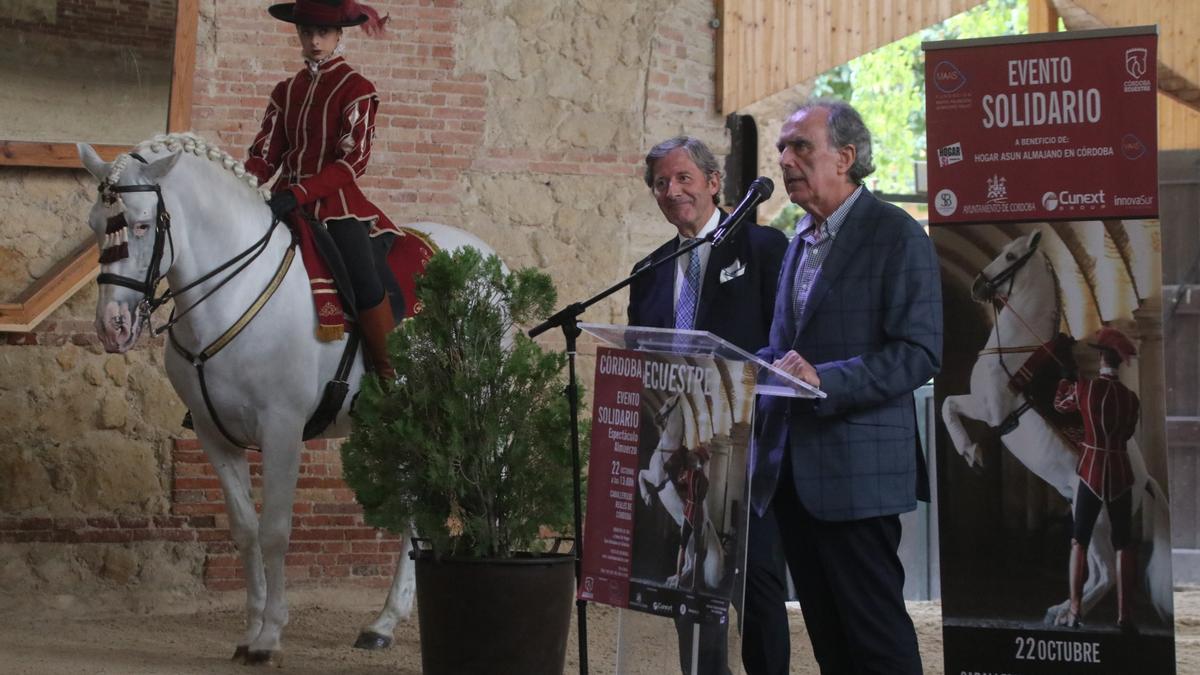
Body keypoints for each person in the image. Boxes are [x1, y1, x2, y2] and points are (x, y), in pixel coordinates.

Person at [750, 99, 942, 675]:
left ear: (847, 157)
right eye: (782, 147)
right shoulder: (798, 238)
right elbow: (788, 346)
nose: (785, 159)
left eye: (800, 147)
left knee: (876, 642)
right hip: (792, 474)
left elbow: (920, 353)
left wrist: (823, 379)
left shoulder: (896, 235)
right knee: (831, 642)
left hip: (859, 476)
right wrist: (746, 364)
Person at [628, 136, 790, 675]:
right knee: (692, 585)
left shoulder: (762, 249)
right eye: (660, 183)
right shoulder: (647, 271)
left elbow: (787, 342)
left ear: (714, 183)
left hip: (746, 448)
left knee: (758, 588)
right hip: (683, 450)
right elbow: (641, 359)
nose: (672, 192)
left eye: (683, 179)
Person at [245, 0, 398, 378]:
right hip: (282, 203)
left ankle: (388, 373)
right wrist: (240, 183)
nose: (315, 40)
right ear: (298, 33)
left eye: (323, 32)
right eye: (307, 32)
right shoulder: (286, 90)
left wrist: (298, 194)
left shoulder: (357, 88)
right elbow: (266, 155)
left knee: (364, 277)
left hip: (337, 205)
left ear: (338, 35)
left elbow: (353, 162)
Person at [1053, 326, 1141, 632]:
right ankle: (1124, 616)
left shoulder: (1086, 389)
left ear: (1101, 357)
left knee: (1080, 540)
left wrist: (1066, 378)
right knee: (1123, 543)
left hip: (1090, 471)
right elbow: (1127, 433)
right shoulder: (1131, 399)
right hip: (1121, 472)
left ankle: (1075, 609)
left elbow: (1060, 405)